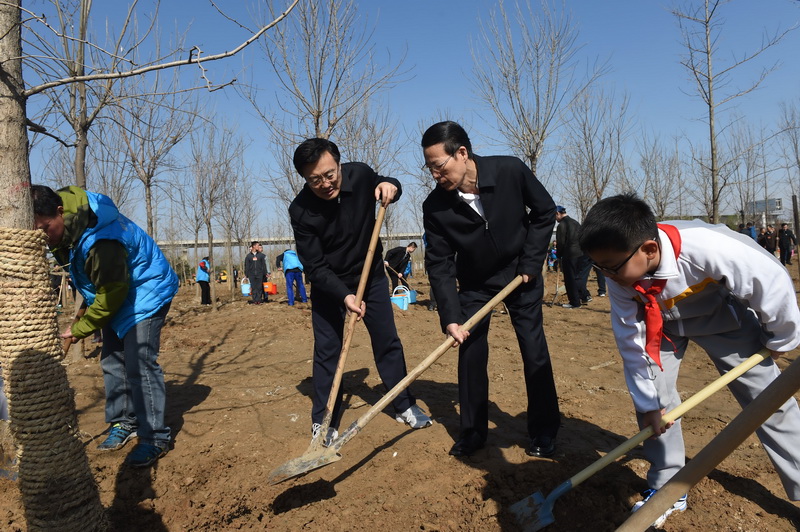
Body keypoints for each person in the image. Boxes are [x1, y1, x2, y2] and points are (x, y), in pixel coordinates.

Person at [578, 192, 800, 527]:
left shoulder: (709, 247)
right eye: (600, 268)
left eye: (611, 267)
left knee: (769, 398)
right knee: (655, 406)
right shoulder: (621, 277)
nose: (607, 276)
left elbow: (770, 280)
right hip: (659, 327)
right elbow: (631, 342)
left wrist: (781, 338)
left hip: (721, 318)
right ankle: (667, 488)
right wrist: (648, 402)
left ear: (649, 249)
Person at [421, 121, 560, 458]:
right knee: (470, 352)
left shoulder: (509, 170)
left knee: (533, 349)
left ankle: (544, 430)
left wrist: (531, 262)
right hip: (475, 284)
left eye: (439, 166)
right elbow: (440, 263)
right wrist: (451, 317)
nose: (435, 175)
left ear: (462, 153)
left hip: (522, 275)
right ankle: (472, 433)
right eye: (430, 168)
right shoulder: (435, 206)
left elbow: (544, 211)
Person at [289, 138, 432, 445]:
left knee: (387, 340)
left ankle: (403, 404)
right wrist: (345, 295)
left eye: (330, 174)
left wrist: (391, 186)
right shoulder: (301, 211)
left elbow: (387, 184)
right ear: (304, 179)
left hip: (372, 279)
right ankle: (323, 420)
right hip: (330, 286)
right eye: (315, 180)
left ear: (339, 164)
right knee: (328, 351)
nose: (325, 184)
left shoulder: (361, 175)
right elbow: (314, 266)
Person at [32, 185, 178, 468]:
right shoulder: (70, 224)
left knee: (139, 364)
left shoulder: (103, 240)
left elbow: (112, 292)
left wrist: (81, 328)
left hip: (146, 292)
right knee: (112, 360)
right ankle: (124, 422)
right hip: (117, 292)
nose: (44, 237)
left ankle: (154, 437)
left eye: (46, 228)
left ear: (60, 212)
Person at [555, 206, 591, 308]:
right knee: (577, 277)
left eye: (555, 216)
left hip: (569, 254)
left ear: (558, 213)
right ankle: (584, 296)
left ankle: (574, 302)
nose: (555, 219)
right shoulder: (575, 222)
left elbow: (561, 243)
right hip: (580, 253)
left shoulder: (562, 225)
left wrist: (559, 255)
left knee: (570, 279)